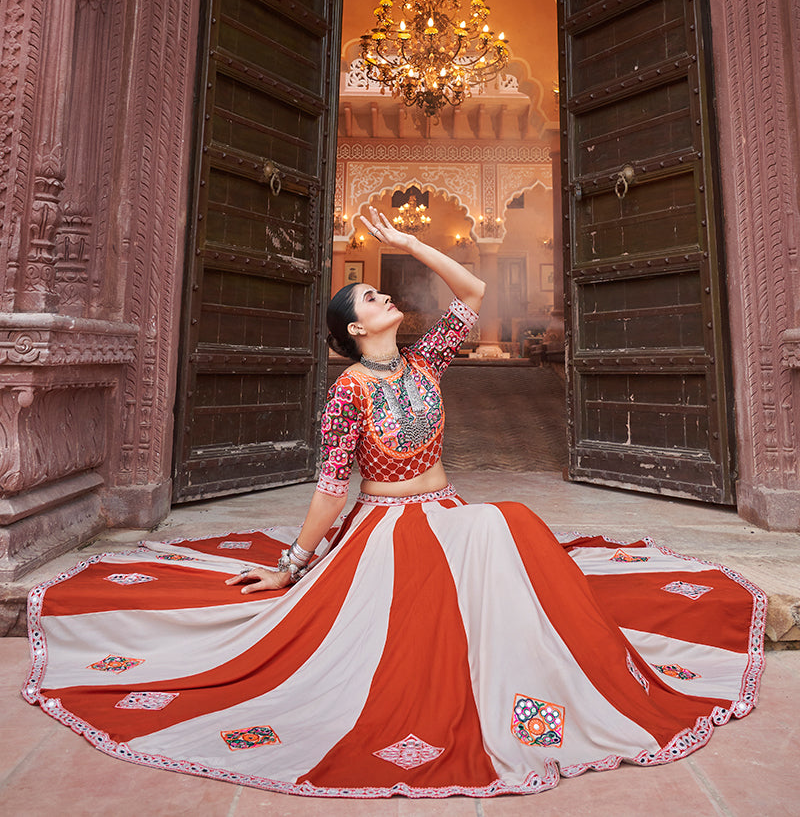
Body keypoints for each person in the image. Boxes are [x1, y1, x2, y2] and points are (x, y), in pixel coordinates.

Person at [23, 207, 765, 799]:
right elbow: (330, 485)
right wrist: (291, 563)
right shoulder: (347, 391)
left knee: (506, 525)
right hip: (384, 527)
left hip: (448, 512)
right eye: (373, 298)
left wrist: (412, 239)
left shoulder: (427, 360)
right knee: (486, 546)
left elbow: (471, 293)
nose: (387, 299)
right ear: (354, 329)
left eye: (383, 292)